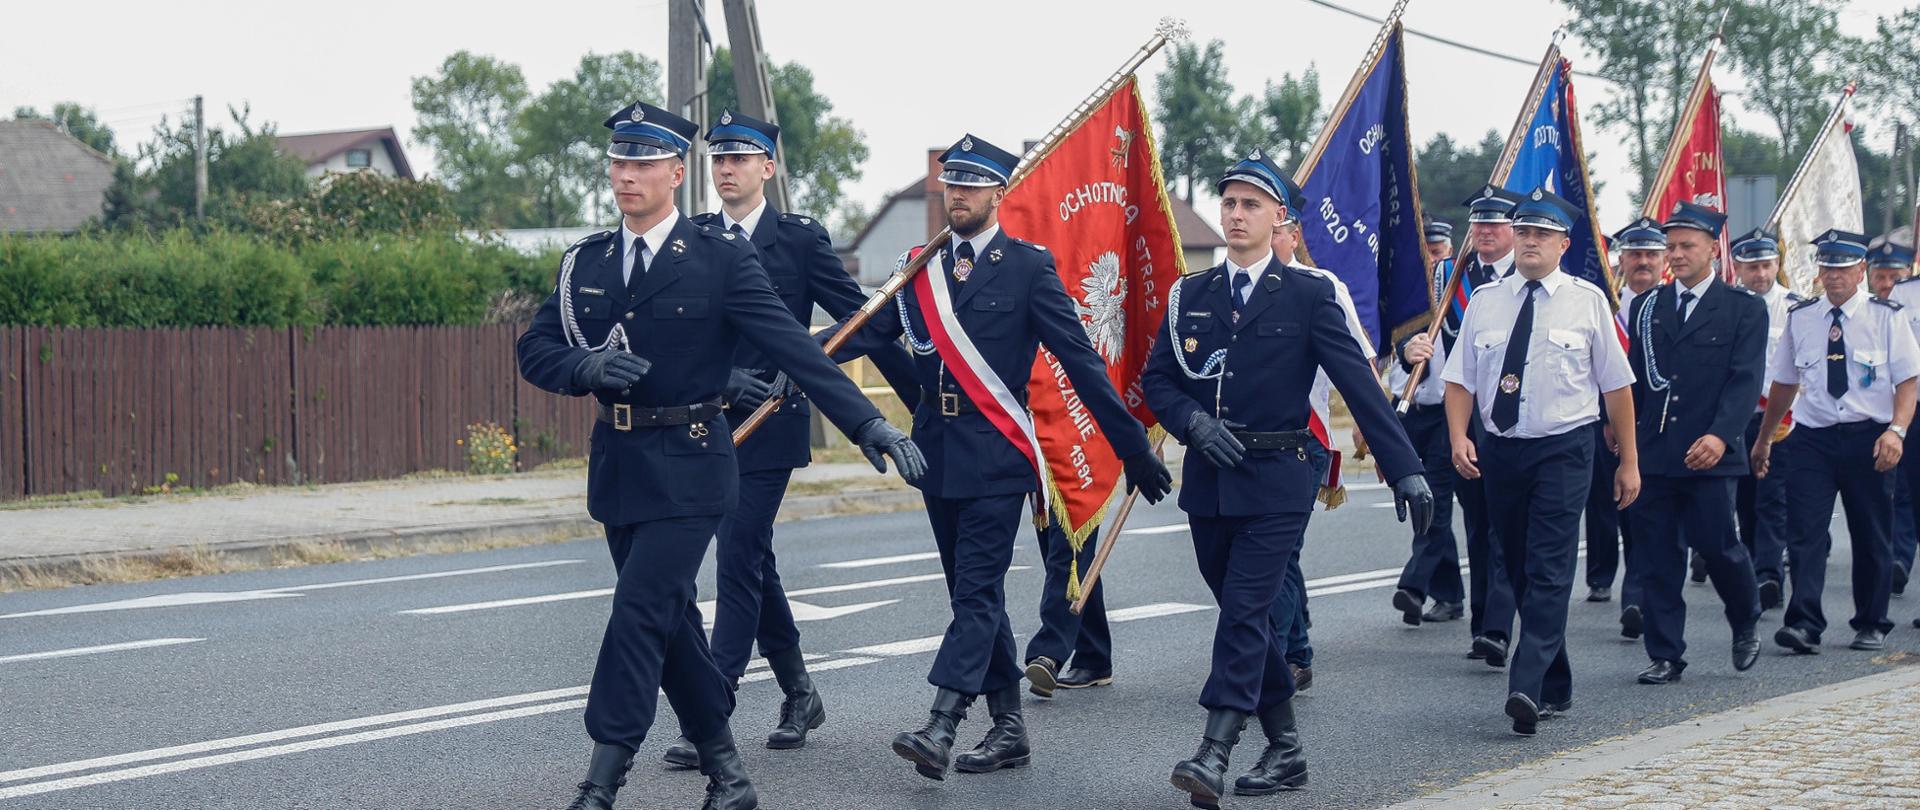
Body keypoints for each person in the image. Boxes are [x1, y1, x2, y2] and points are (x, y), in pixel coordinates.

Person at [515, 100, 925, 810]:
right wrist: (583, 370)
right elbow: (536, 349)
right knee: (673, 623)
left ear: (677, 173)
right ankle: (729, 776)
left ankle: (600, 783)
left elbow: (798, 347)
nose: (626, 176)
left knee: (640, 610)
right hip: (619, 464)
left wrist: (867, 424)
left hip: (695, 463)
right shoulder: (588, 261)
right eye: (618, 162)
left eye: (643, 164)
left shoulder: (718, 259)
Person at [826, 134, 1173, 781]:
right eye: (950, 183)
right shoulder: (919, 268)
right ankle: (1010, 728)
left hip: (997, 454)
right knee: (968, 598)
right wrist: (791, 359)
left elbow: (1081, 364)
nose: (957, 194)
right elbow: (863, 335)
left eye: (971, 184)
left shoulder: (1027, 268)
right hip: (934, 454)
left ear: (998, 193)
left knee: (979, 591)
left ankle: (942, 723)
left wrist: (1132, 447)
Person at [1145, 150, 1432, 807]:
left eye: (1251, 205)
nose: (1237, 214)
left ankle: (1213, 750)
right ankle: (1289, 750)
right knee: (1249, 621)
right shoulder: (1190, 294)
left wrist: (1406, 469)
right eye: (1230, 203)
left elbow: (1359, 387)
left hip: (1280, 475)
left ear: (1280, 218)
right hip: (1211, 480)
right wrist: (1191, 423)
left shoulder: (1310, 294)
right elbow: (1158, 379)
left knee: (1246, 610)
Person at [657, 110, 920, 769]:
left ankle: (710, 708)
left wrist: (920, 399)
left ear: (768, 168)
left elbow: (860, 321)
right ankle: (800, 692)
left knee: (739, 551)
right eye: (718, 159)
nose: (726, 169)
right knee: (754, 561)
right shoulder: (691, 239)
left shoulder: (798, 240)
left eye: (740, 158)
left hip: (774, 425)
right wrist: (724, 377)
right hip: (712, 423)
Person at [1442, 186, 1639, 736]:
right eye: (1523, 232)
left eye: (1542, 235)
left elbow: (1617, 387)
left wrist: (1629, 462)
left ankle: (1525, 684)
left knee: (1550, 565)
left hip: (1564, 448)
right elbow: (1459, 379)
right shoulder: (1485, 301)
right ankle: (1556, 679)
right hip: (1502, 449)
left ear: (1563, 244)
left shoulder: (1587, 300)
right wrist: (1460, 436)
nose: (1530, 242)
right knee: (1520, 563)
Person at [1752, 229, 1919, 654]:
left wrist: (1896, 431)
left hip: (1869, 436)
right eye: (1827, 268)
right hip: (1813, 438)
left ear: (1861, 270)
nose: (1834, 277)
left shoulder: (1887, 317)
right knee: (1804, 532)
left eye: (1843, 268)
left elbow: (1908, 382)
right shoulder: (1803, 317)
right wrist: (1766, 438)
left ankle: (1871, 620)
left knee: (1871, 532)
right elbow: (1784, 384)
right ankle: (1804, 623)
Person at [1623, 203, 1765, 686]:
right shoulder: (1647, 305)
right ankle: (1666, 653)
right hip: (1656, 452)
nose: (1676, 255)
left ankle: (1745, 618)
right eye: (1671, 246)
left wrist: (1721, 436)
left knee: (1718, 546)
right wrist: (1625, 440)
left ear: (1712, 248)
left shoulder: (1744, 308)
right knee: (1658, 556)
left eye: (1687, 246)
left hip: (1710, 453)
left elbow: (1745, 382)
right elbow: (1637, 381)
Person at [1449, 185, 1523, 666]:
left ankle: (1498, 627)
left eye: (1494, 224)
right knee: (1476, 525)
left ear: (1515, 230)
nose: (1484, 232)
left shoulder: (1528, 278)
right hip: (1462, 417)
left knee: (1504, 529)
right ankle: (1483, 623)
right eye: (1478, 224)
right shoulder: (1454, 279)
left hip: (1511, 422)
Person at [1595, 219, 1664, 638]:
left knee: (1652, 517)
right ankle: (1634, 593)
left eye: (1650, 254)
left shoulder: (1674, 306)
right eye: (1634, 254)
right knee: (1625, 512)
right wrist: (1609, 421)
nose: (1642, 262)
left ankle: (1640, 596)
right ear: (1621, 258)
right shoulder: (1606, 306)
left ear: (1663, 260)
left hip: (1660, 429)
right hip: (1611, 430)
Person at [1730, 228, 1803, 609]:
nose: (1760, 274)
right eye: (1752, 266)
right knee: (1744, 498)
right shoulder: (1728, 307)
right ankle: (1756, 566)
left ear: (1777, 264)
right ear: (1738, 267)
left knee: (1771, 498)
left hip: (1780, 418)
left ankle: (1769, 573)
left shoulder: (1795, 307)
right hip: (1738, 418)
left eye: (1766, 265)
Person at [1022, 522, 1114, 698]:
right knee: (1058, 549)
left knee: (1068, 551)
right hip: (1048, 492)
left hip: (1083, 493)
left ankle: (1050, 653)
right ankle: (1093, 655)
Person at [1876, 241, 1920, 596]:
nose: (1888, 283)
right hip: (1898, 409)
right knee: (1900, 489)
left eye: (1895, 276)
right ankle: (1899, 559)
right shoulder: (1888, 303)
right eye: (1881, 275)